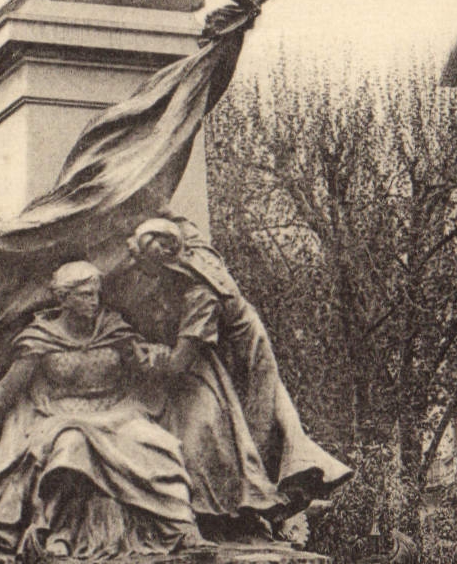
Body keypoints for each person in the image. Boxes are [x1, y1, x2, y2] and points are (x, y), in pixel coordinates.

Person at [0, 261, 200, 560]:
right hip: (58, 417)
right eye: (85, 295)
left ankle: (182, 527)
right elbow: (4, 394)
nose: (94, 301)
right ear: (63, 298)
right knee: (71, 445)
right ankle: (56, 532)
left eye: (96, 293)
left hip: (117, 413)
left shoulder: (114, 330)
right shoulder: (40, 338)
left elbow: (147, 369)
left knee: (160, 444)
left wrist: (160, 358)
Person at [120, 217, 353, 524]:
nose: (136, 268)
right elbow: (182, 220)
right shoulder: (191, 245)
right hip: (224, 345)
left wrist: (141, 354)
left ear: (163, 261)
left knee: (257, 425)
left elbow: (177, 364)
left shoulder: (200, 295)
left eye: (142, 263)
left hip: (240, 352)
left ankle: (261, 504)